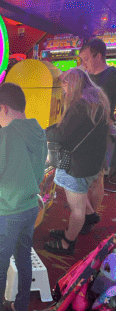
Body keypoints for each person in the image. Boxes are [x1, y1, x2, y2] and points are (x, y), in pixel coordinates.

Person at [0, 83, 47, 311]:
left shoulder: (6, 134)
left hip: (8, 209)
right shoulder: (38, 129)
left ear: (4, 108)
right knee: (24, 255)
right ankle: (21, 307)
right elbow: (33, 169)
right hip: (30, 205)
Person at [45, 68, 110, 255]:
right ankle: (90, 217)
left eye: (65, 83)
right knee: (80, 196)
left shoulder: (80, 105)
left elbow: (62, 134)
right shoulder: (96, 101)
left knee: (76, 208)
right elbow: (68, 129)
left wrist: (40, 132)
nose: (63, 88)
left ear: (73, 83)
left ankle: (68, 243)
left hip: (78, 165)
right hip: (91, 163)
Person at [78, 38, 116, 234]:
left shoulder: (112, 75)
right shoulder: (86, 78)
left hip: (100, 134)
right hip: (82, 132)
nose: (83, 64)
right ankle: (87, 213)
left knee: (96, 178)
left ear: (98, 56)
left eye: (86, 59)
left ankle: (88, 219)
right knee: (76, 176)